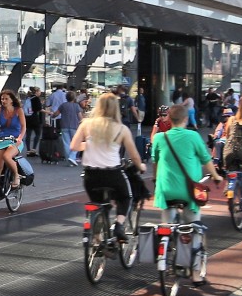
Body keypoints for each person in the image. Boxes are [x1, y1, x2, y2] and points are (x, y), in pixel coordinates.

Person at [150, 103, 219, 279]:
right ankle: (196, 273)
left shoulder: (159, 138)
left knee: (167, 224)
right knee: (194, 225)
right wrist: (216, 176)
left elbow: (155, 162)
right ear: (186, 119)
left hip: (166, 191)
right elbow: (206, 160)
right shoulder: (193, 136)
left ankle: (165, 246)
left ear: (169, 119)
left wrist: (156, 179)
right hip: (188, 192)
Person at [70, 92, 148, 241]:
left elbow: (74, 146)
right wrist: (141, 166)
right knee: (126, 197)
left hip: (90, 176)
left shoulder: (86, 124)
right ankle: (119, 225)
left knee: (99, 204)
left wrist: (90, 144)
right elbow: (134, 155)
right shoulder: (121, 129)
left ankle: (98, 239)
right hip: (113, 174)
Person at [56, 90, 84, 166]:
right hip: (74, 126)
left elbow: (56, 114)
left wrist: (52, 115)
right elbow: (80, 117)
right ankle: (72, 157)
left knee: (66, 143)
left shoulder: (63, 105)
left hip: (64, 126)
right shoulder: (76, 106)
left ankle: (69, 159)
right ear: (74, 98)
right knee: (76, 142)